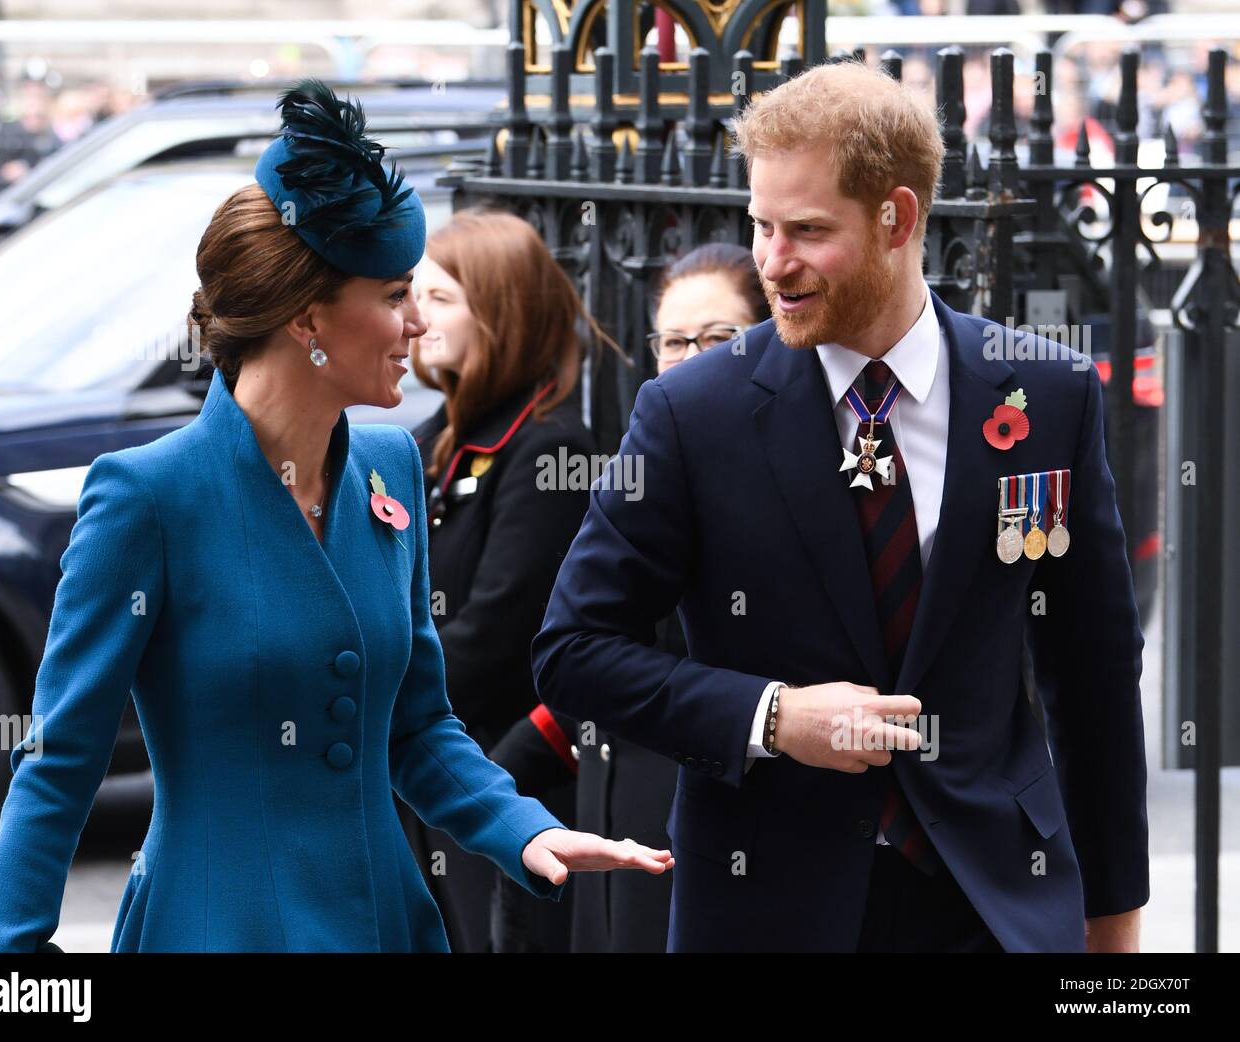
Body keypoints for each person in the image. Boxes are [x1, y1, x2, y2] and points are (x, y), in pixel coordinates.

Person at [0, 79, 671, 954]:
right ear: (308, 320)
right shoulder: (147, 498)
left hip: (387, 926)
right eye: (394, 295)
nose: (417, 324)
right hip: (215, 930)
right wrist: (11, 971)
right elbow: (60, 763)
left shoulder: (392, 465)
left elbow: (416, 725)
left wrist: (522, 828)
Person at [532, 61, 1149, 953]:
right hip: (766, 908)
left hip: (996, 907)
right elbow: (573, 652)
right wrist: (774, 717)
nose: (773, 264)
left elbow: (1093, 674)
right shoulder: (690, 412)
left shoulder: (1047, 394)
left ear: (897, 218)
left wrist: (1114, 924)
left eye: (808, 232)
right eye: (762, 227)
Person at [490, 242, 769, 952]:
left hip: (712, 804)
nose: (691, 357)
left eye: (720, 338)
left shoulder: (785, 478)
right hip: (612, 801)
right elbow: (585, 641)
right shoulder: (643, 467)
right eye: (674, 340)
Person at [393, 208, 613, 953]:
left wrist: (370, 700)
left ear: (502, 313)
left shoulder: (548, 447)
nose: (417, 319)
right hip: (432, 759)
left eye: (442, 299)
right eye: (413, 296)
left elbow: (497, 631)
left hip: (503, 773)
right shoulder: (436, 436)